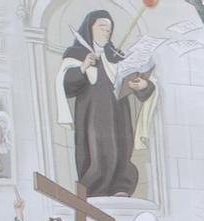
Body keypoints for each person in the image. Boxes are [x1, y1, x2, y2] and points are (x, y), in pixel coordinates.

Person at [59, 10, 155, 198]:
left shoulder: (116, 55)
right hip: (92, 113)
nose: (106, 31)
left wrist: (143, 85)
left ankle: (122, 185)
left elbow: (133, 79)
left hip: (119, 112)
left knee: (122, 146)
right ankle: (94, 189)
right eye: (102, 26)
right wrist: (83, 67)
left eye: (109, 29)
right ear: (89, 28)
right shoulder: (77, 54)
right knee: (98, 149)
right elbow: (66, 85)